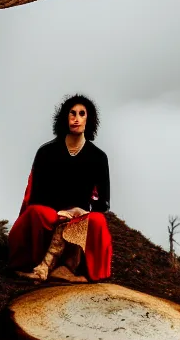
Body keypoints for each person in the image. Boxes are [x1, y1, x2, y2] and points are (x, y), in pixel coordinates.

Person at [8, 94, 113, 282]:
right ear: (65, 117)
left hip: (80, 216)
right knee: (36, 212)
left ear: (89, 120)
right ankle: (33, 264)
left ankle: (71, 269)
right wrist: (59, 213)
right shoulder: (46, 152)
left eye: (82, 114)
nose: (76, 118)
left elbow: (103, 202)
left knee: (97, 221)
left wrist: (80, 211)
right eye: (72, 113)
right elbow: (36, 196)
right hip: (51, 212)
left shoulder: (98, 157)